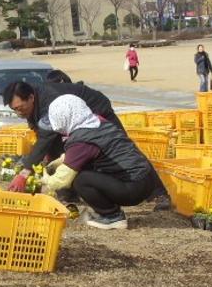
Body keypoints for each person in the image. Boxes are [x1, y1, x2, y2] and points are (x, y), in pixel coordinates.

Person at [40, 94, 160, 229]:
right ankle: (109, 212)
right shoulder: (97, 123)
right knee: (83, 169)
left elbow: (60, 181)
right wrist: (58, 162)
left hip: (134, 187)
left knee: (81, 180)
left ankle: (112, 217)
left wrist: (44, 179)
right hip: (146, 178)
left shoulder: (82, 139)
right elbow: (81, 154)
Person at [2, 80, 123, 192]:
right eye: (14, 110)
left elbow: (45, 138)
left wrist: (25, 172)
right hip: (74, 124)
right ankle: (67, 193)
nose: (18, 113)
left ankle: (127, 185)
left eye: (20, 108)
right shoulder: (31, 103)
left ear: (31, 98)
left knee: (116, 151)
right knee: (56, 152)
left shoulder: (49, 101)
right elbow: (41, 132)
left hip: (96, 110)